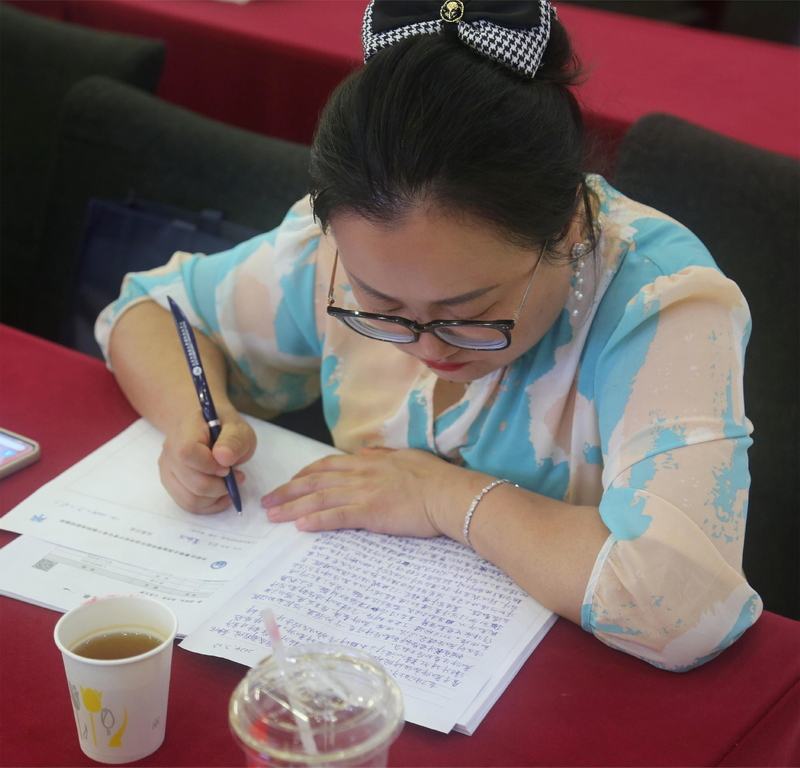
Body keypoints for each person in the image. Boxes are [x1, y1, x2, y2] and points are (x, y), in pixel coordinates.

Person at [96, 0, 762, 671]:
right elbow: (150, 311)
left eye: (468, 312)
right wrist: (193, 423)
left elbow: (679, 607)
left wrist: (443, 497)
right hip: (368, 649)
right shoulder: (343, 247)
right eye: (381, 305)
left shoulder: (660, 301)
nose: (426, 347)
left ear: (564, 230)